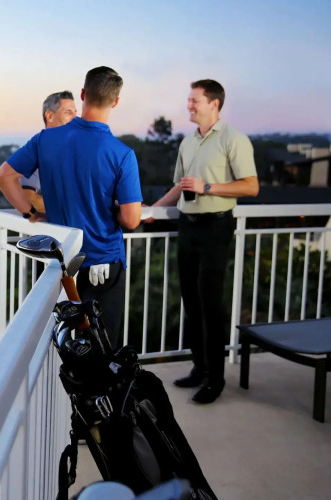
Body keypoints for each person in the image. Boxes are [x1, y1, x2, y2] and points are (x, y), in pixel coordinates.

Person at [0, 66, 142, 350]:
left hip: (61, 264)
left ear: (84, 94)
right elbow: (131, 219)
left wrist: (30, 214)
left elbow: (4, 176)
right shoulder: (122, 154)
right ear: (115, 102)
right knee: (102, 350)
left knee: (66, 348)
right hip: (103, 263)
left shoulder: (45, 139)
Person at [148, 79, 259, 404]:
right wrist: (151, 211)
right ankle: (199, 368)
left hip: (216, 227)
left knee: (210, 304)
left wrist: (208, 187)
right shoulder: (188, 142)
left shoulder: (233, 139)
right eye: (189, 100)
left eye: (194, 100)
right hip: (188, 226)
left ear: (214, 103)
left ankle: (216, 379)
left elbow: (251, 186)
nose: (189, 105)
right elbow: (179, 187)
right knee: (191, 302)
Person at [20, 91, 77, 213]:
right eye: (68, 113)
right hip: (56, 225)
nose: (75, 119)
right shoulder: (37, 152)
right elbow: (28, 199)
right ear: (50, 116)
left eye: (75, 113)